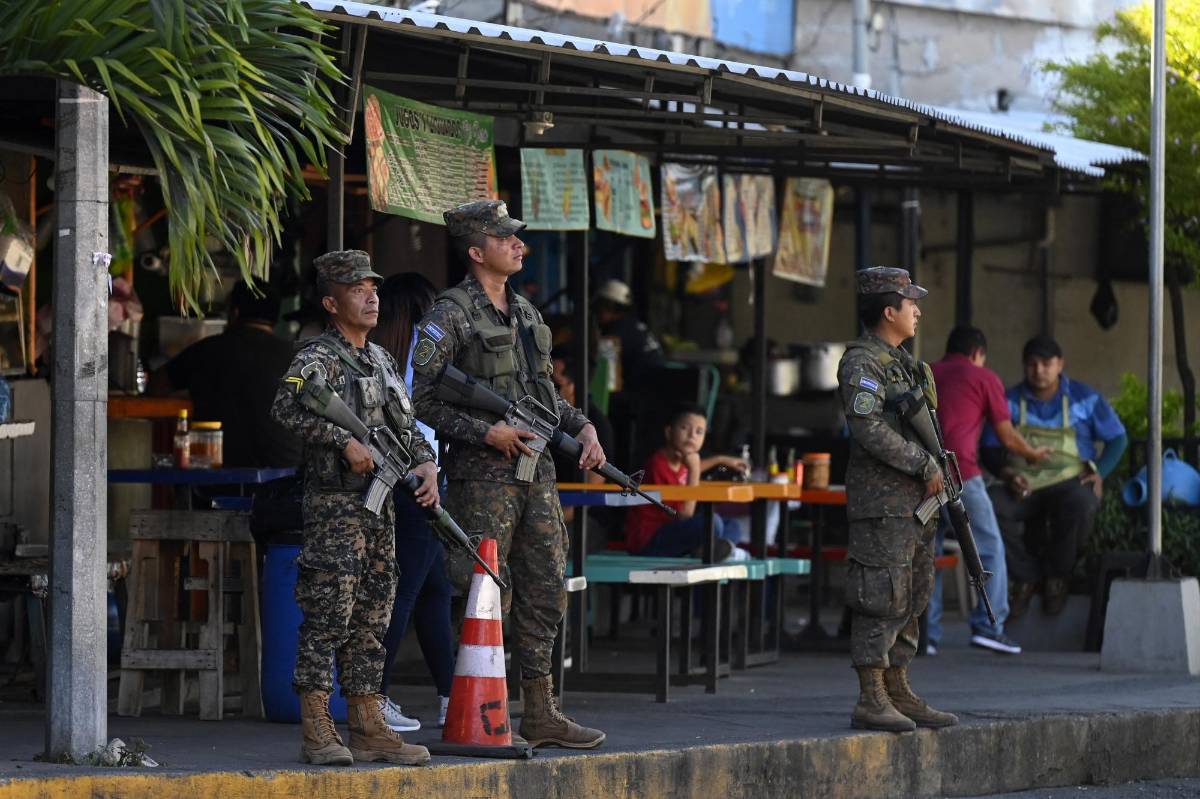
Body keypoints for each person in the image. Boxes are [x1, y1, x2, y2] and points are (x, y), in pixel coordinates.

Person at [411, 200, 607, 749]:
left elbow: (544, 395)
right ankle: (478, 711)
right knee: (485, 593)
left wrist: (584, 429)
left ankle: (541, 710)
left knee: (546, 586)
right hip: (482, 478)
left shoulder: (525, 314)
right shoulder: (449, 314)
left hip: (535, 472)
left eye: (517, 238)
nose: (520, 245)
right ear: (477, 252)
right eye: (506, 239)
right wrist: (485, 433)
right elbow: (420, 398)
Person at [270, 250, 439, 767]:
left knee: (374, 615)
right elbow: (284, 406)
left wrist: (427, 464)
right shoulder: (314, 357)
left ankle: (368, 722)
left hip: (380, 509)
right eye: (357, 289)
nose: (371, 297)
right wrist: (340, 440)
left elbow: (406, 430)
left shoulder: (383, 361)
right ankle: (318, 726)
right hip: (335, 508)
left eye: (373, 288)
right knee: (329, 614)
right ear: (330, 301)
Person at [837, 266, 957, 733]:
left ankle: (898, 686)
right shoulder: (861, 363)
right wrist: (923, 465)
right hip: (881, 503)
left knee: (914, 592)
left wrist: (940, 470)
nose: (918, 311)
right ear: (889, 310)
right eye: (910, 304)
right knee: (880, 596)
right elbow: (867, 428)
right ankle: (872, 695)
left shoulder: (911, 366)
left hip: (916, 505)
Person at [982, 335, 1127, 617]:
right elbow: (988, 447)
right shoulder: (1007, 401)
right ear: (1024, 366)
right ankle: (1024, 577)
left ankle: (1056, 578)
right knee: (989, 505)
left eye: (1047, 364)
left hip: (1068, 481)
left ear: (1060, 365)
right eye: (1032, 364)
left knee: (1082, 504)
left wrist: (1099, 472)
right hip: (1022, 484)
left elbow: (1118, 439)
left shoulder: (1085, 398)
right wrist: (1007, 474)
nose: (1039, 371)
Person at [926, 326, 1050, 656]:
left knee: (929, 553)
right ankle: (989, 626)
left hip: (922, 475)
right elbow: (1007, 437)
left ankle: (927, 632)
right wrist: (1034, 455)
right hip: (961, 474)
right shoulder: (983, 378)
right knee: (989, 548)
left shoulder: (927, 373)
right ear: (977, 353)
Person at [369, 272, 456, 732]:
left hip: (404, 479)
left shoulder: (386, 354)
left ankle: (450, 695)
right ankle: (374, 696)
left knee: (432, 590)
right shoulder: (425, 349)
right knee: (404, 590)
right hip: (420, 480)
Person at [153, 281, 300, 468]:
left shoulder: (207, 350)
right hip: (284, 479)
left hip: (216, 479)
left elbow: (157, 385)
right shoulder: (296, 357)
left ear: (234, 312)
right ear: (275, 318)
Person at [623, 403, 749, 560]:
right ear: (669, 432)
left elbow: (690, 469)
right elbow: (685, 515)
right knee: (712, 523)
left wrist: (720, 459)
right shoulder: (658, 464)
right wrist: (694, 470)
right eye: (684, 428)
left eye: (699, 432)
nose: (692, 436)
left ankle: (716, 550)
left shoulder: (681, 462)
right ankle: (714, 552)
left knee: (732, 525)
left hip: (672, 534)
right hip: (649, 542)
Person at [592, 278, 664, 389]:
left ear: (610, 306)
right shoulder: (634, 325)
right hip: (658, 390)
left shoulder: (614, 335)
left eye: (598, 306)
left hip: (640, 396)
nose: (595, 313)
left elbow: (607, 385)